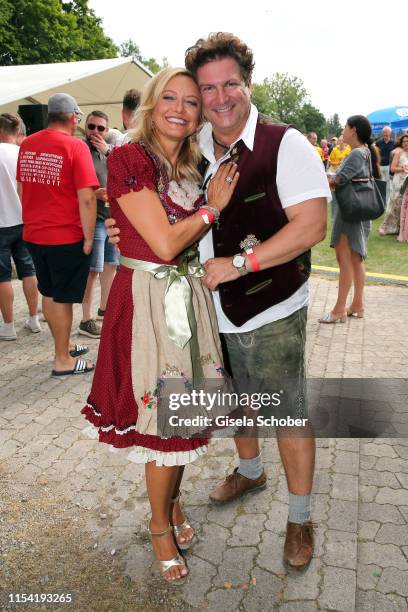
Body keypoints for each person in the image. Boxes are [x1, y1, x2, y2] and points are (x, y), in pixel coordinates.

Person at [108, 33, 329, 571]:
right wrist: (128, 234)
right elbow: (159, 212)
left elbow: (312, 226)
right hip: (201, 311)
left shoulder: (286, 143)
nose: (218, 96)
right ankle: (250, 473)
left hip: (268, 307)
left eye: (230, 83)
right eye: (206, 87)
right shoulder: (192, 141)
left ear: (248, 84)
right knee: (229, 402)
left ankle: (299, 518)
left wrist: (243, 263)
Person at [82, 67, 238, 584]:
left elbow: (174, 241)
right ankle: (158, 525)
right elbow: (167, 244)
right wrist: (213, 209)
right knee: (166, 422)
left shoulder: (193, 164)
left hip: (185, 298)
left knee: (186, 415)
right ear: (152, 103)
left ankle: (171, 506)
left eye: (191, 102)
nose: (180, 107)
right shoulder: (130, 157)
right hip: (149, 301)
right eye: (168, 97)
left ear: (200, 115)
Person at [17, 93, 98, 376]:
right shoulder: (76, 146)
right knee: (63, 297)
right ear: (74, 117)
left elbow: (24, 187)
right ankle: (62, 359)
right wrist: (88, 238)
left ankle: (62, 346)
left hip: (34, 233)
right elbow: (87, 199)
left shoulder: (27, 143)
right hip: (65, 236)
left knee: (50, 292)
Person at [319, 115, 381, 323]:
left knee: (344, 260)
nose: (343, 131)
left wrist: (319, 176)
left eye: (345, 127)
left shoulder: (356, 153)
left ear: (353, 130)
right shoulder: (365, 152)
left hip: (349, 215)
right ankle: (357, 305)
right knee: (356, 260)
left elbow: (337, 180)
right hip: (358, 213)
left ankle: (338, 310)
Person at [79, 111, 120, 338]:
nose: (95, 131)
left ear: (107, 130)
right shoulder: (81, 150)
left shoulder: (110, 151)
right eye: (91, 126)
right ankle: (86, 319)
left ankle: (104, 309)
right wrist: (94, 193)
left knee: (110, 267)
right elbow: (74, 184)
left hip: (111, 218)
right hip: (92, 218)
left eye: (100, 128)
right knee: (92, 271)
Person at [0, 113, 40, 340]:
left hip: (1, 223)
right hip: (24, 220)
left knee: (3, 276)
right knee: (28, 270)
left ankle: (8, 326)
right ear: (17, 132)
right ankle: (34, 319)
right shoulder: (24, 153)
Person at [378, 134, 408, 236]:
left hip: (406, 181)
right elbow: (392, 168)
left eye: (407, 141)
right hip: (398, 180)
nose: (406, 143)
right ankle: (387, 227)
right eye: (404, 142)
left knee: (404, 205)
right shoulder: (398, 153)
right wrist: (402, 169)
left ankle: (401, 228)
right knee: (394, 202)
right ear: (401, 143)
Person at [375, 126, 395, 201]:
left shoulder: (394, 143)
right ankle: (381, 200)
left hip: (389, 166)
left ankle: (387, 201)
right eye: (384, 132)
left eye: (387, 132)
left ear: (390, 133)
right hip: (379, 166)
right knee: (380, 183)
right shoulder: (378, 142)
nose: (385, 134)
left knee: (388, 185)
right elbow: (375, 152)